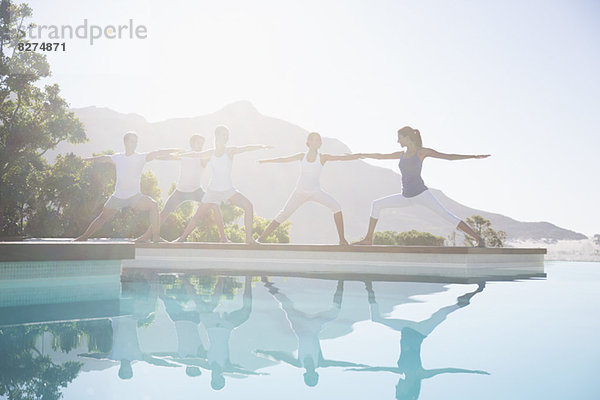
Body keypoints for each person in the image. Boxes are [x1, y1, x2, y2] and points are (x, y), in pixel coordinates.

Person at [347, 281, 488, 400]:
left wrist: (359, 368)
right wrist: (473, 372)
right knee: (445, 311)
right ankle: (478, 290)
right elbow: (447, 370)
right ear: (408, 391)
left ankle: (369, 287)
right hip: (421, 331)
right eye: (398, 390)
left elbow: (377, 369)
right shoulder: (421, 374)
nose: (396, 386)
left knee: (376, 318)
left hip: (407, 330)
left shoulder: (401, 370)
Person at [354, 126, 489, 247]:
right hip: (405, 196)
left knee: (447, 216)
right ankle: (368, 239)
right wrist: (361, 155)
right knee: (376, 204)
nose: (398, 141)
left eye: (400, 138)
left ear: (407, 138)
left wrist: (473, 156)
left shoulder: (422, 152)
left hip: (422, 195)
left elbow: (449, 157)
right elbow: (380, 156)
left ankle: (479, 239)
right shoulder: (401, 155)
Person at [255, 278, 367, 387]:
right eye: (313, 376)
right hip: (314, 328)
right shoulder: (320, 362)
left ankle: (266, 283)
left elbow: (281, 357)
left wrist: (263, 353)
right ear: (316, 374)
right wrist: (357, 366)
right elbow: (338, 364)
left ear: (305, 375)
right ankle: (341, 282)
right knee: (335, 312)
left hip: (300, 327)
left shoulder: (299, 363)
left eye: (309, 376)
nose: (311, 373)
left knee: (285, 304)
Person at [74, 132, 182, 242]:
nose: (135, 144)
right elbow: (104, 158)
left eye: (136, 142)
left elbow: (157, 153)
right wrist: (88, 160)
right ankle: (84, 237)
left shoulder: (140, 157)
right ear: (125, 142)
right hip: (118, 196)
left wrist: (176, 150)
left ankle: (156, 237)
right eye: (132, 141)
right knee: (102, 217)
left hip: (135, 197)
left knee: (153, 205)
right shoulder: (118, 157)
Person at [257, 132, 361, 245]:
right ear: (308, 142)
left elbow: (340, 158)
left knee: (336, 207)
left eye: (318, 140)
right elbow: (284, 159)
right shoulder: (302, 156)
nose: (316, 142)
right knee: (284, 214)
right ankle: (260, 239)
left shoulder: (322, 157)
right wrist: (266, 161)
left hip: (316, 192)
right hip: (300, 192)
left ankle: (342, 240)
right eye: (314, 140)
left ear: (320, 144)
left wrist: (357, 156)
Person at [174, 125, 270, 244]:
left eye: (227, 135)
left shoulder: (230, 151)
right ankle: (181, 239)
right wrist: (180, 155)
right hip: (212, 191)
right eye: (223, 135)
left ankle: (249, 239)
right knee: (197, 216)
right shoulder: (211, 152)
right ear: (217, 136)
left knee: (248, 206)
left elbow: (245, 148)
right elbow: (196, 155)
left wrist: (261, 146)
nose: (226, 138)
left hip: (228, 190)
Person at [135, 134, 227, 243]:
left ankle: (223, 238)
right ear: (192, 143)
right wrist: (156, 156)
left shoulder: (204, 157)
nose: (201, 145)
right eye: (199, 143)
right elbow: (168, 158)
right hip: (180, 192)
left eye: (202, 143)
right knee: (164, 213)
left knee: (215, 205)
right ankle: (146, 236)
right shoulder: (185, 154)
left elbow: (216, 155)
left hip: (196, 191)